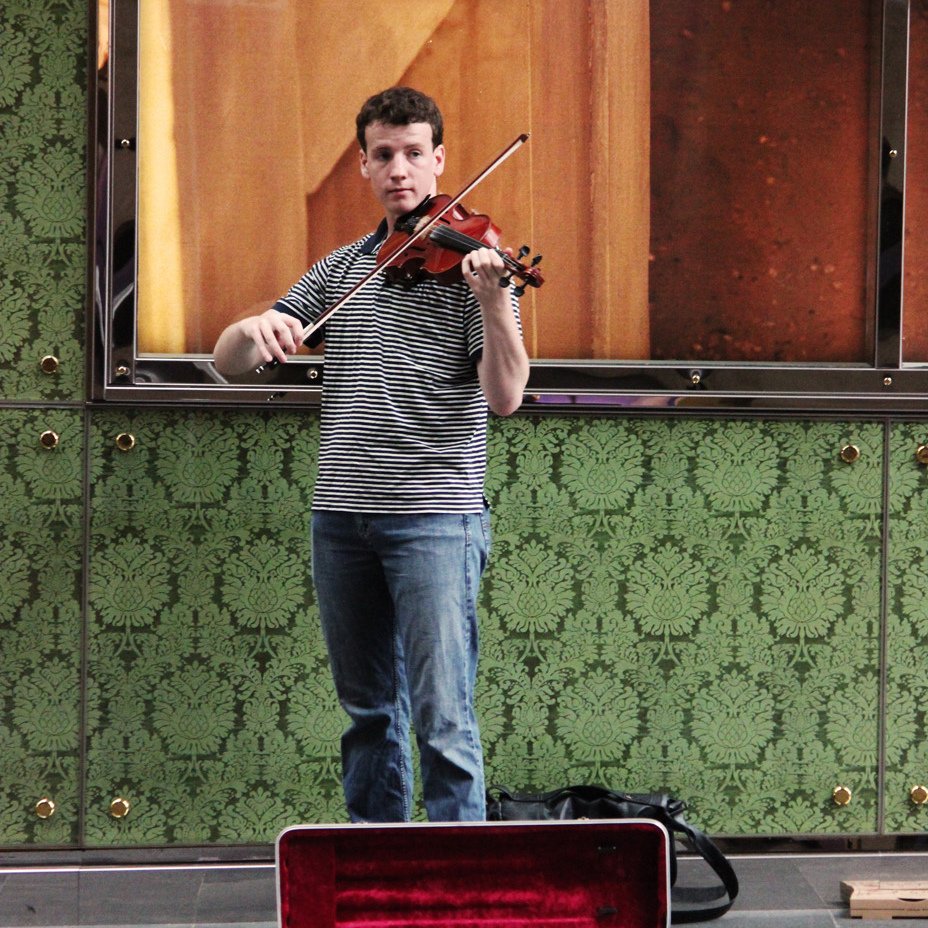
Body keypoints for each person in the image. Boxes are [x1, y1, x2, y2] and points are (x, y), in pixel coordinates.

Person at [213, 87, 530, 822]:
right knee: (368, 715)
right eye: (383, 154)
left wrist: (493, 300)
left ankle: (457, 872)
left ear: (439, 160)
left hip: (435, 521)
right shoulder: (342, 270)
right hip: (341, 520)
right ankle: (375, 863)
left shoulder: (475, 271)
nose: (399, 169)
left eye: (414, 153)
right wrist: (253, 329)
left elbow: (506, 396)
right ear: (363, 164)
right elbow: (230, 363)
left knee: (443, 715)